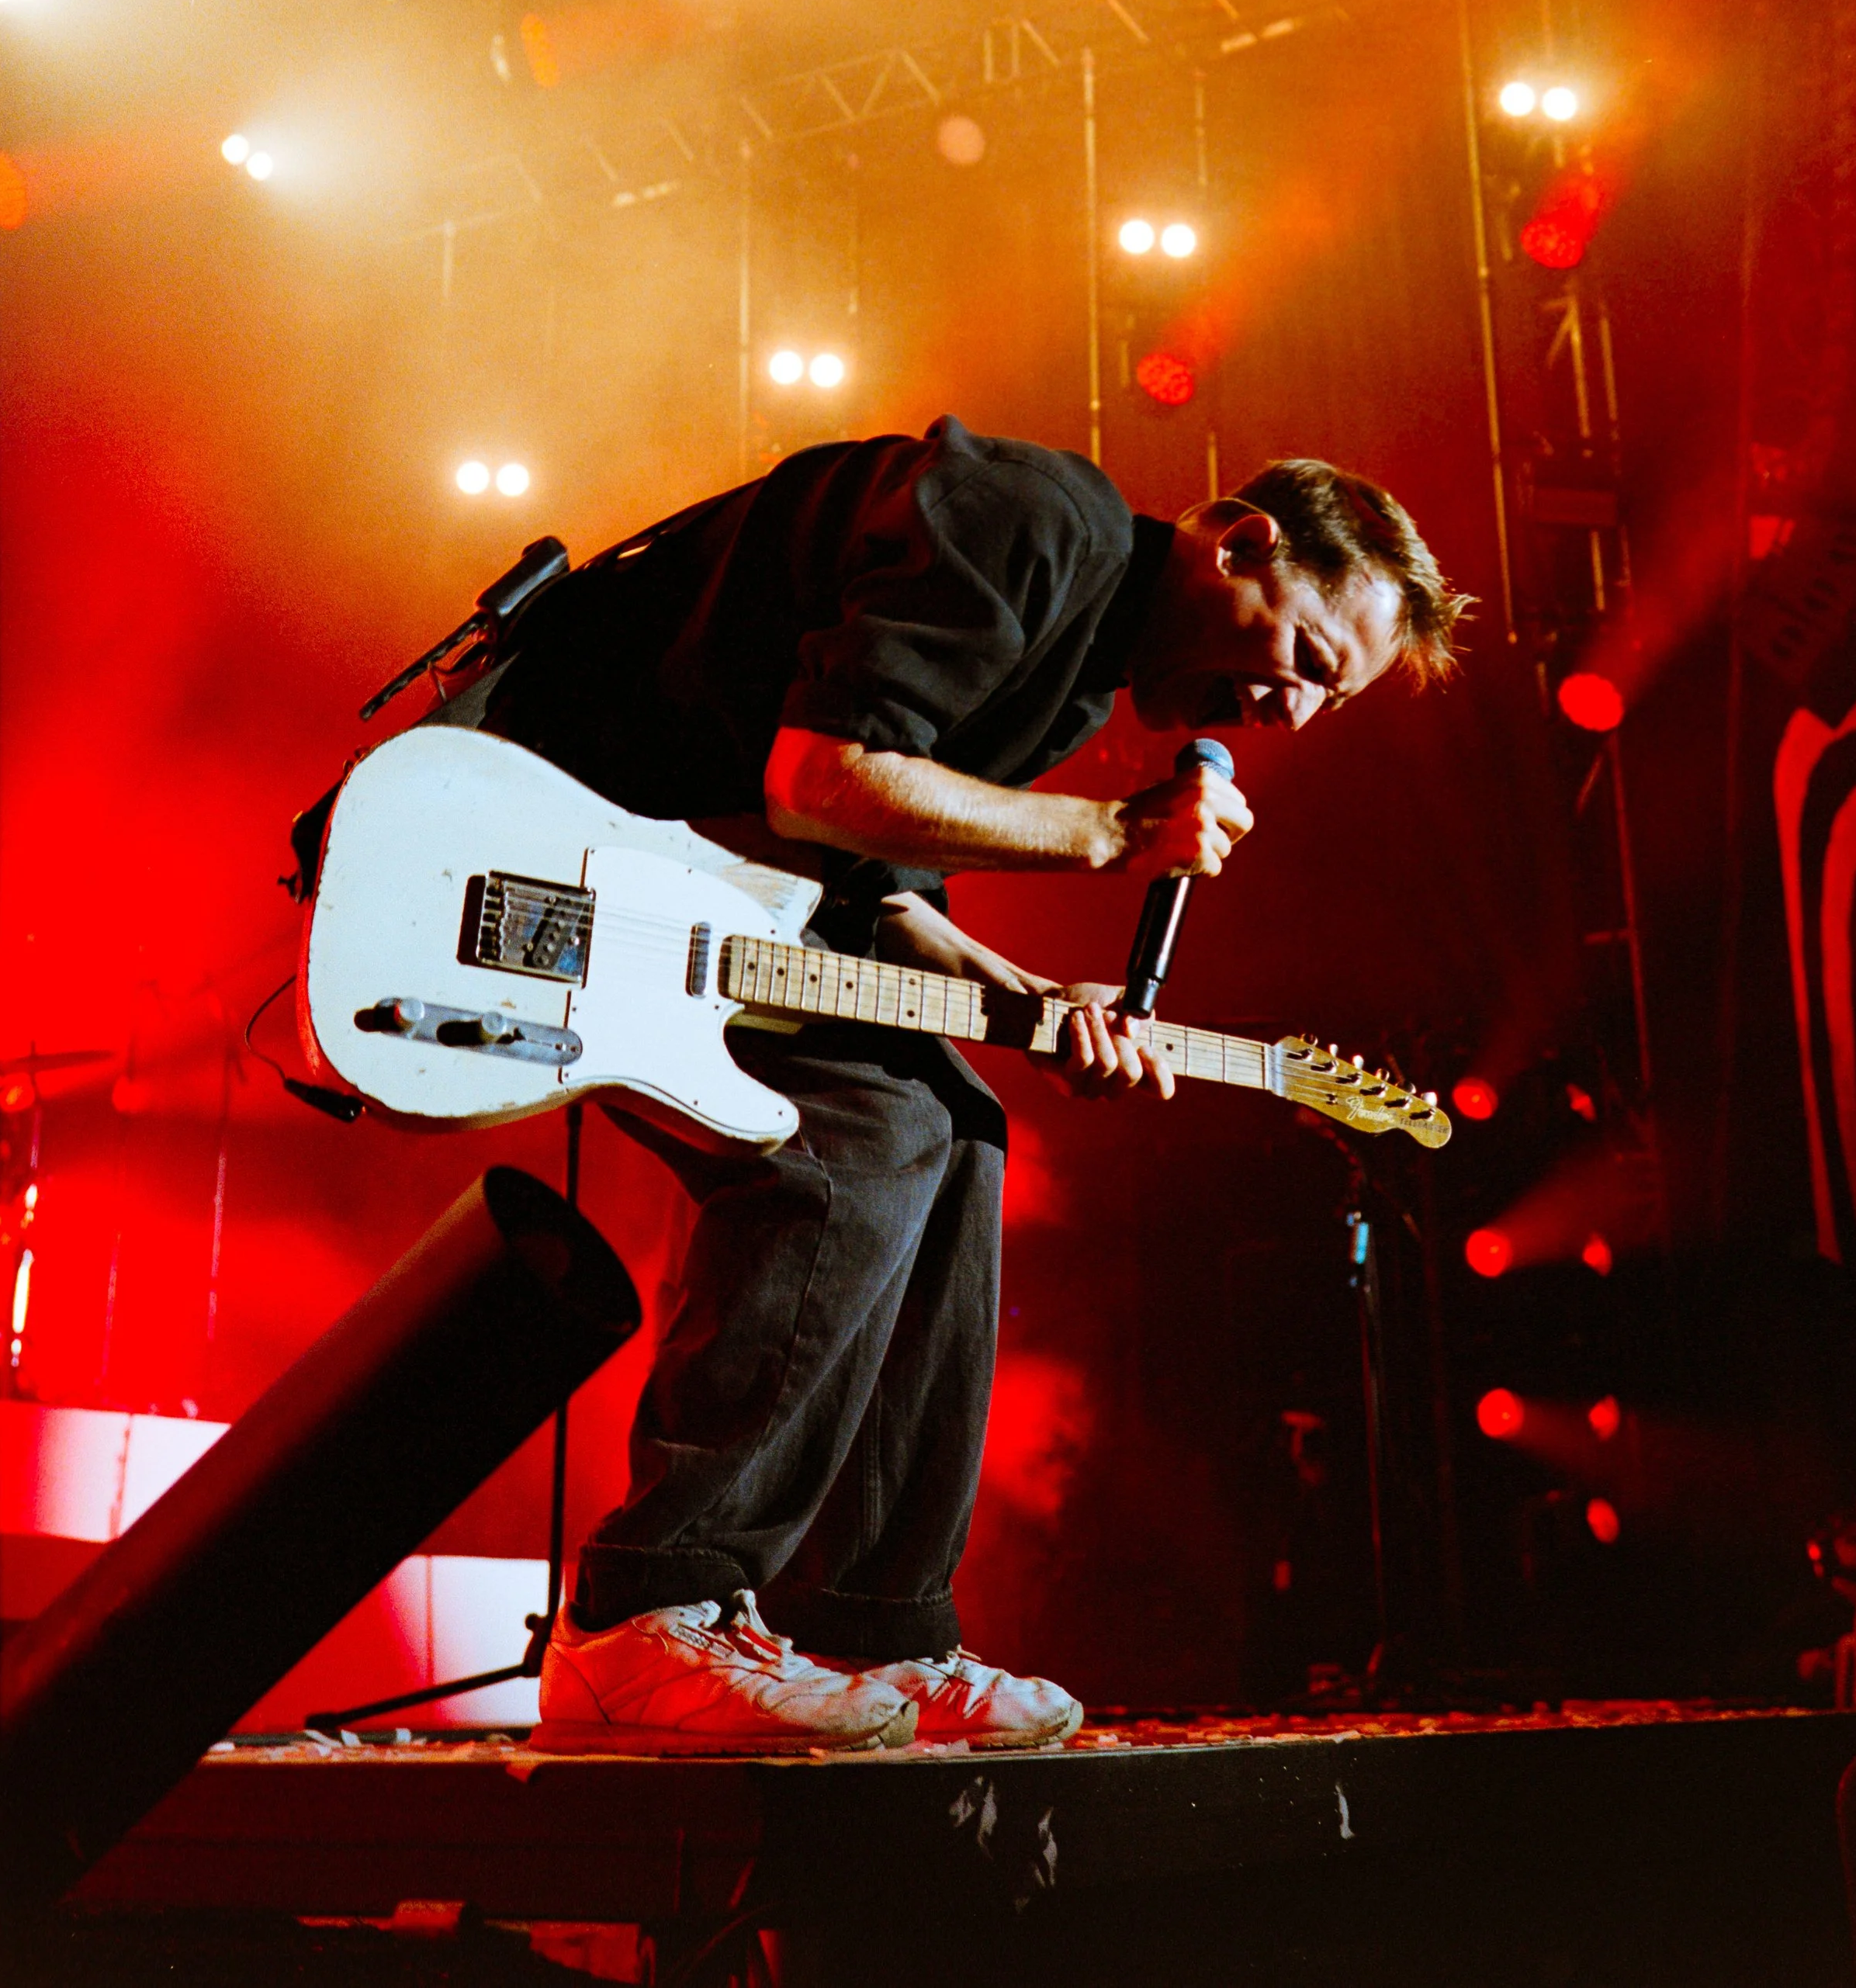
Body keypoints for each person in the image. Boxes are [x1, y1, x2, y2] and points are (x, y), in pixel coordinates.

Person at [479, 414, 1463, 1754]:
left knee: (958, 1122)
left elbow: (867, 880)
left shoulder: (1076, 676)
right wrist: (1110, 833)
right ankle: (644, 1616)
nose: (1282, 712)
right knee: (869, 1126)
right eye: (1301, 656)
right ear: (1239, 541)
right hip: (534, 839)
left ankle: (876, 1625)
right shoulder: (1037, 517)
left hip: (687, 869)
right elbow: (820, 779)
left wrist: (1034, 1001)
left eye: (1319, 702)